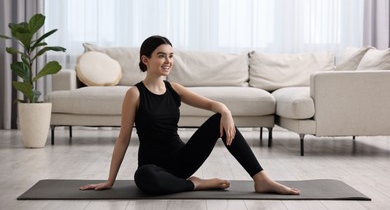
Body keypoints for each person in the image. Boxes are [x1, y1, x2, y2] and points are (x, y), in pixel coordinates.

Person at [80, 35, 300, 195]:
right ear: (145, 60)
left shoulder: (174, 89)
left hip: (182, 160)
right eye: (161, 56)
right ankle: (196, 184)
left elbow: (213, 105)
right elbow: (123, 138)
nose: (168, 61)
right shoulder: (134, 94)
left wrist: (225, 110)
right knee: (143, 177)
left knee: (218, 120)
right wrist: (110, 180)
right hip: (153, 168)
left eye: (171, 56)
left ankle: (261, 179)